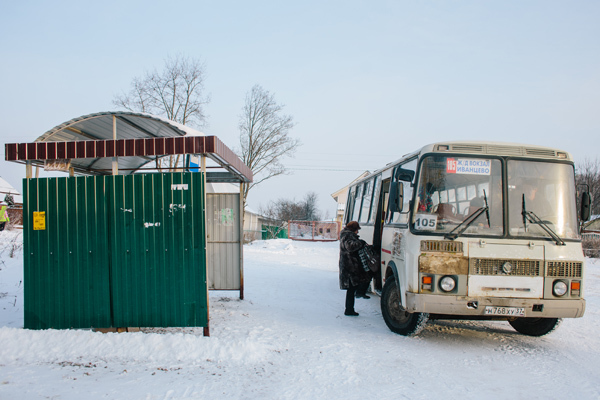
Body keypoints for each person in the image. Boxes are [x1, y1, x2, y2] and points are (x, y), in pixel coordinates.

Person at [339, 221, 371, 316]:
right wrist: (360, 243)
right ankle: (349, 310)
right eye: (357, 230)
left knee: (352, 288)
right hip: (349, 266)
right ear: (354, 229)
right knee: (351, 289)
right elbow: (350, 246)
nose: (358, 232)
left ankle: (350, 308)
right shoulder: (347, 235)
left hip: (350, 265)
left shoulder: (346, 234)